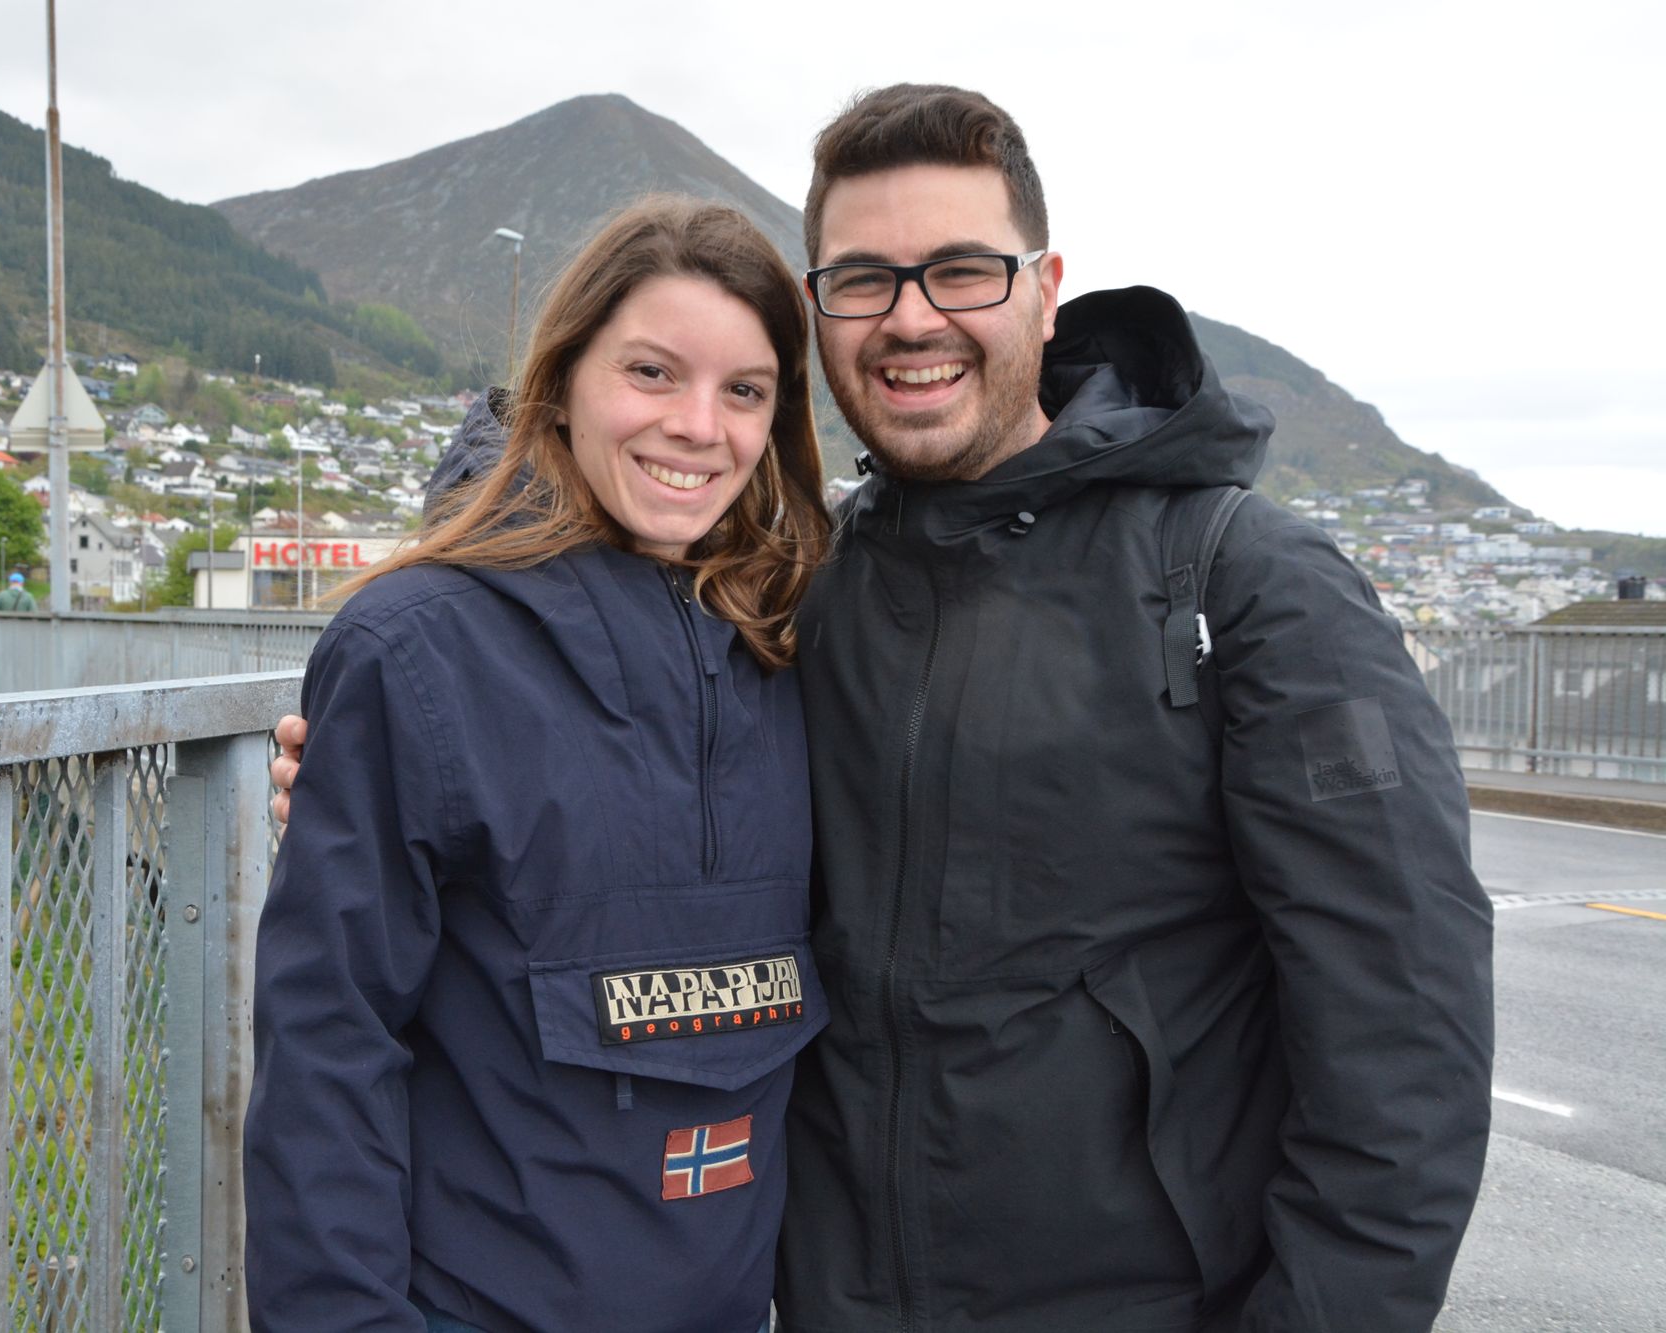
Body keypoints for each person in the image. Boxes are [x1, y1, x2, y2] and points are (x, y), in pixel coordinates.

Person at [270, 86, 1493, 1333]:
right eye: (862, 280)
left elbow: (1402, 1052)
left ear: (1042, 284)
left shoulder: (1243, 582)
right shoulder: (801, 593)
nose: (910, 319)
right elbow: (618, 768)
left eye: (959, 270)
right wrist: (389, 767)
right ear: (819, 308)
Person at [245, 197, 831, 1333]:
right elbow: (329, 1049)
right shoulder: (413, 648)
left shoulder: (803, 642)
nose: (697, 426)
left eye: (743, 390)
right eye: (652, 373)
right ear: (561, 380)